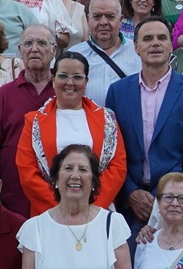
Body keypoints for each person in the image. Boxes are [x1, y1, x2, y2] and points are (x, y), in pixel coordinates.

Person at [105, 17, 183, 227]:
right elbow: (110, 150)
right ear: (136, 47)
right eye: (147, 38)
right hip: (128, 204)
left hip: (177, 201)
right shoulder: (118, 92)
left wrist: (162, 194)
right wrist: (130, 192)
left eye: (162, 38)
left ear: (170, 45)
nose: (155, 43)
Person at [15, 51, 126, 216]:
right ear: (53, 80)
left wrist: (91, 208)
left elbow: (117, 167)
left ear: (86, 82)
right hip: (49, 214)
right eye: (63, 76)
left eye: (77, 77)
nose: (70, 82)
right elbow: (27, 172)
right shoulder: (34, 121)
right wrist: (61, 210)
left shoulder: (107, 119)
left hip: (97, 212)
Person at [0, 25, 58, 216]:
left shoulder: (64, 92)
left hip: (59, 197)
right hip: (13, 197)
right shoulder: (5, 94)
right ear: (20, 50)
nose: (34, 49)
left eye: (41, 43)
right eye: (28, 43)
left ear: (54, 50)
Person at [69, 0, 141, 107]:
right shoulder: (73, 55)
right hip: (87, 123)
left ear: (120, 19)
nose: (103, 22)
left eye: (110, 16)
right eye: (97, 16)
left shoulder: (138, 53)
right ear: (88, 20)